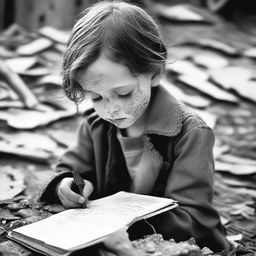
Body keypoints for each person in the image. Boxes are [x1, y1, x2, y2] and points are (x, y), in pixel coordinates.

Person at [39, 1, 230, 255]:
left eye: (124, 93)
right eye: (96, 97)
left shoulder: (190, 133)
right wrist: (67, 185)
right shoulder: (96, 125)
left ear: (154, 72)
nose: (111, 110)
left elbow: (195, 221)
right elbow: (70, 170)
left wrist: (123, 224)